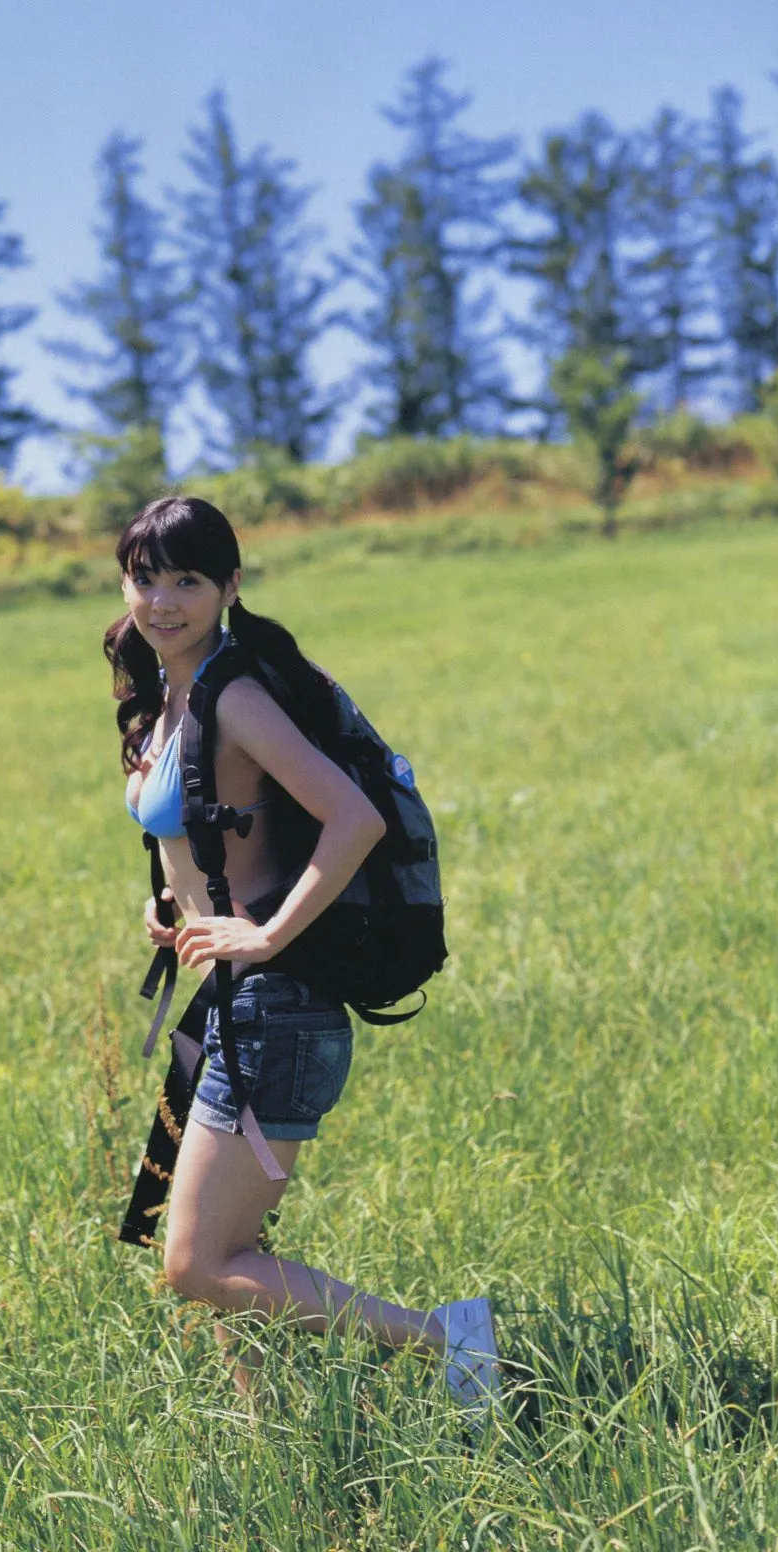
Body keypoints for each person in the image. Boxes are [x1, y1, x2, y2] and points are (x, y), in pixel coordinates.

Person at [103, 495, 500, 1422]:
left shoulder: (234, 694)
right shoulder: (168, 691)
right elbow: (201, 832)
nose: (163, 600)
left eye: (188, 580)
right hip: (230, 996)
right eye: (145, 578)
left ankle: (452, 1339)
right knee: (219, 1247)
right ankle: (267, 1435)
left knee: (198, 1264)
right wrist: (174, 906)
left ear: (229, 587)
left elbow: (351, 819)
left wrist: (265, 932)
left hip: (276, 1003)